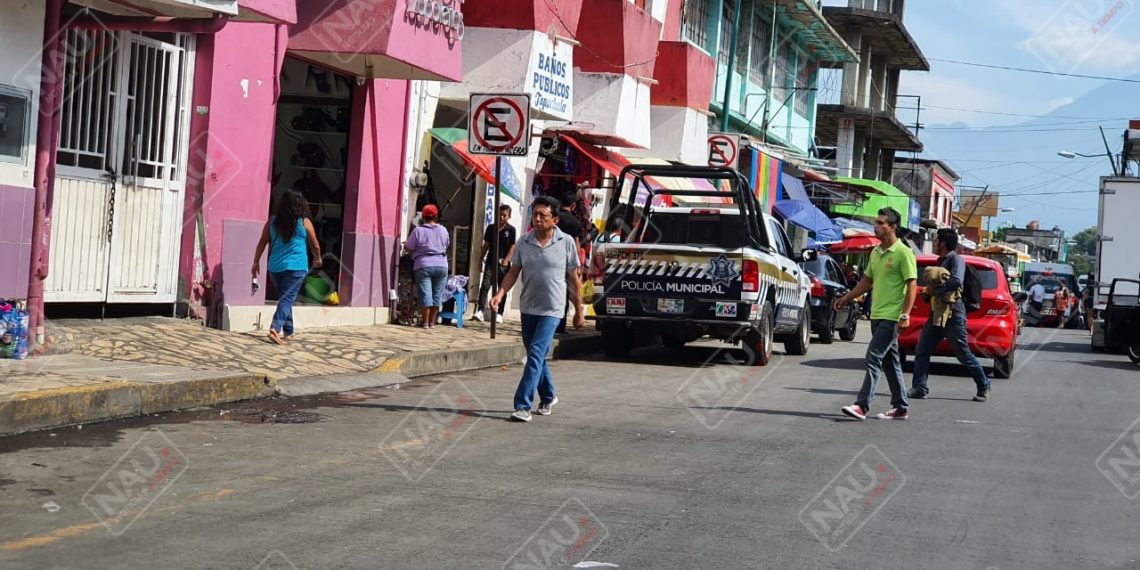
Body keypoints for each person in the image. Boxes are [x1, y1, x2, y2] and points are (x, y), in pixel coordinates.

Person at [491, 196, 584, 423]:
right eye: (535, 214)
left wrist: (578, 309)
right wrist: (500, 294)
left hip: (552, 309)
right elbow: (514, 271)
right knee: (538, 357)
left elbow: (574, 277)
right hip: (528, 307)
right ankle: (549, 396)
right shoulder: (524, 241)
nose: (538, 219)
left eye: (543, 215)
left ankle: (523, 405)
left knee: (534, 355)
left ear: (555, 220)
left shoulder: (566, 242)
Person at [833, 207, 917, 421]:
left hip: (892, 317)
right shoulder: (876, 252)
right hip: (877, 315)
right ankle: (900, 406)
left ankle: (862, 405)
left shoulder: (903, 253)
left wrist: (905, 314)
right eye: (876, 222)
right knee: (891, 362)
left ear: (892, 227)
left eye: (881, 223)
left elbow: (912, 284)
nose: (876, 226)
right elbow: (867, 281)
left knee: (873, 357)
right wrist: (847, 298)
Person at [908, 229, 991, 402]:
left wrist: (935, 290)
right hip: (937, 313)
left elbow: (956, 281)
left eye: (937, 240)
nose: (935, 243)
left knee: (962, 354)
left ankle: (984, 385)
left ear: (944, 243)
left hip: (954, 314)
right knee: (922, 350)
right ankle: (919, 388)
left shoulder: (956, 260)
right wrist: (929, 293)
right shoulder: (940, 260)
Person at [252, 190, 322, 345]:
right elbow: (315, 244)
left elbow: (262, 242)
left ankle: (288, 331)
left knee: (285, 297)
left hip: (275, 268)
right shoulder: (305, 222)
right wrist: (318, 258)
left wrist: (255, 262)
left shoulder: (272, 221)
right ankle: (275, 328)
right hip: (296, 268)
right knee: (287, 298)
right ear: (300, 205)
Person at [403, 204, 450, 329]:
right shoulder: (443, 230)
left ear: (423, 217)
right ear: (436, 216)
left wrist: (416, 252)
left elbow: (408, 246)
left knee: (425, 293)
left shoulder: (418, 231)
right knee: (437, 294)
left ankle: (425, 322)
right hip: (441, 265)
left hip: (423, 265)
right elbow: (447, 245)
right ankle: (432, 322)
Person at [473, 205, 517, 324]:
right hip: (490, 262)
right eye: (500, 215)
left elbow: (513, 246)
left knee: (502, 288)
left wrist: (507, 259)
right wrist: (480, 260)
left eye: (504, 215)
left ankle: (499, 313)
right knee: (485, 286)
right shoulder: (491, 228)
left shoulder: (511, 230)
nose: (502, 217)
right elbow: (486, 245)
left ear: (509, 216)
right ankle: (480, 310)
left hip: (503, 264)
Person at [555, 192, 585, 335]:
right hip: (567, 262)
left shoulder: (555, 218)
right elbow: (576, 244)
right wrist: (578, 265)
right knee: (564, 294)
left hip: (551, 257)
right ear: (573, 206)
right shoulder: (575, 222)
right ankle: (560, 326)